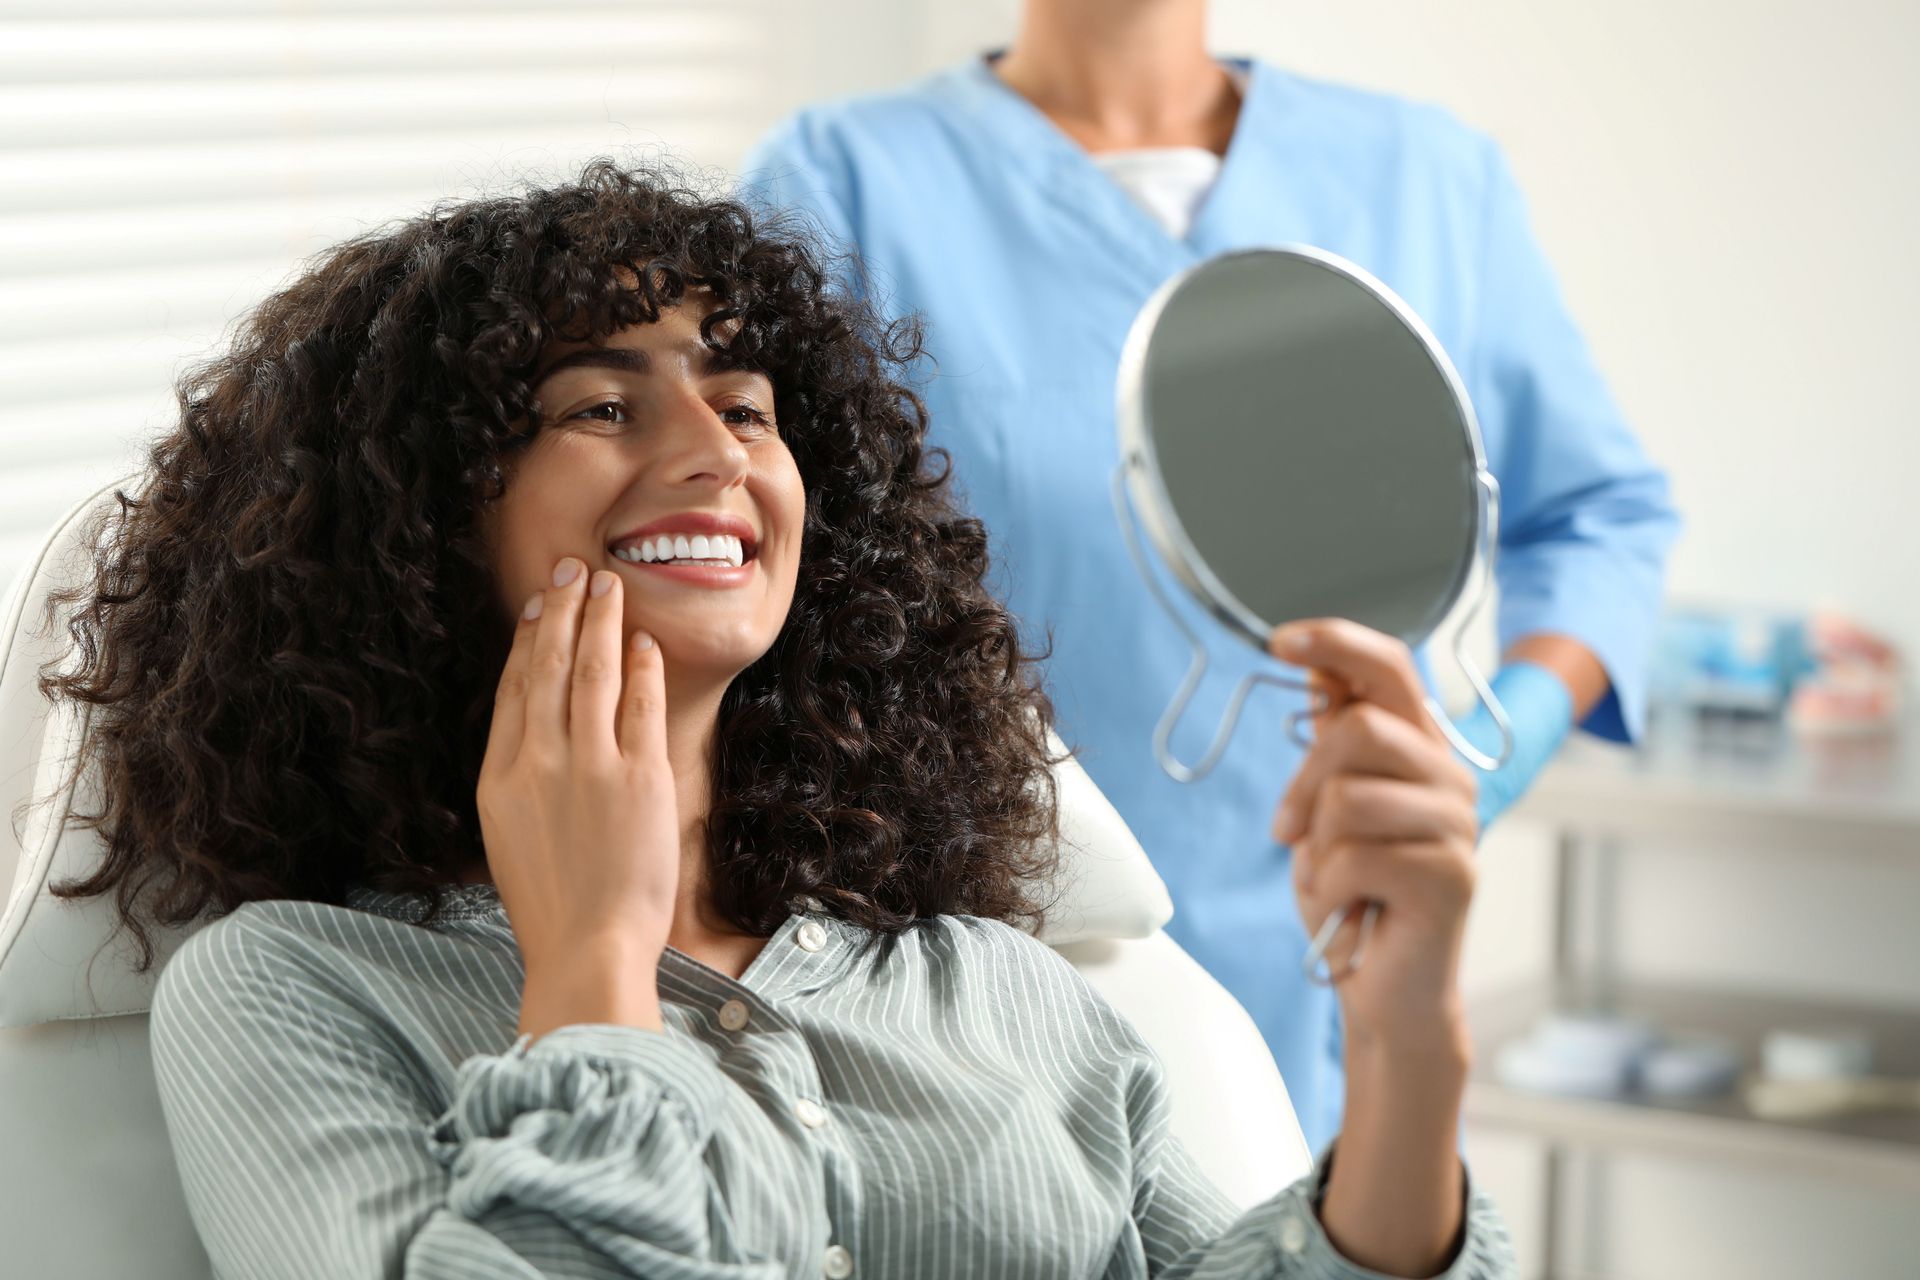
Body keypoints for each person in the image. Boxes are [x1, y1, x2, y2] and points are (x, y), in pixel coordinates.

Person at [32, 163, 1517, 1278]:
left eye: (747, 409)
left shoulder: (994, 983)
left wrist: (1404, 1052)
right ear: (412, 524)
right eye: (598, 410)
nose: (714, 454)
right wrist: (595, 966)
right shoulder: (291, 989)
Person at [741, 0, 1682, 1152]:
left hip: (1341, 947)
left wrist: (1491, 752)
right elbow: (761, 565)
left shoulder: (1427, 178)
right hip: (992, 959)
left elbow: (1602, 515)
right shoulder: (842, 180)